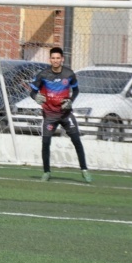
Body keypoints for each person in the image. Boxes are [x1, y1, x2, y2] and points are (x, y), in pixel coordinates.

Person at [30, 47, 92, 183]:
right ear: (50, 59)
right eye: (53, 58)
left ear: (62, 59)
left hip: (65, 114)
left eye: (58, 58)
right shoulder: (43, 75)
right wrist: (36, 97)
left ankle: (84, 170)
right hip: (49, 115)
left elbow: (76, 90)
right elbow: (32, 91)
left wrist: (70, 100)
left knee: (76, 140)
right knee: (45, 142)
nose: (56, 60)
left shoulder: (69, 74)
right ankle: (46, 172)